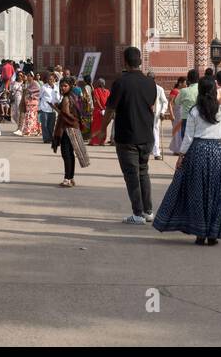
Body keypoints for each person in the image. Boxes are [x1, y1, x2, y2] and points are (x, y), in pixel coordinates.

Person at [153, 75, 221, 245]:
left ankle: (200, 233)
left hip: (198, 152)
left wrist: (181, 156)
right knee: (218, 193)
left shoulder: (195, 111)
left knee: (198, 193)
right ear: (214, 91)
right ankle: (213, 234)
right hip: (219, 153)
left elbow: (188, 138)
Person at [104, 47, 158, 224]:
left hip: (127, 136)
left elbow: (110, 109)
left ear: (125, 62)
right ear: (140, 61)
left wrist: (101, 129)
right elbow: (151, 107)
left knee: (131, 176)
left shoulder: (121, 82)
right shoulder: (151, 83)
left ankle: (137, 214)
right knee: (143, 172)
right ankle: (148, 211)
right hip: (146, 136)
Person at [52, 76, 91, 186]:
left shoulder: (66, 98)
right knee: (70, 154)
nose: (63, 88)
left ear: (70, 86)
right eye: (61, 86)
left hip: (67, 129)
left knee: (66, 154)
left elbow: (65, 114)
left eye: (65, 86)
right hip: (74, 127)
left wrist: (57, 110)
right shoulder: (74, 96)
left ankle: (67, 178)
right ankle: (71, 178)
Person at [16, 70, 41, 137]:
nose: (28, 77)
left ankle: (28, 131)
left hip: (34, 102)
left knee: (31, 117)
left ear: (32, 77)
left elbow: (38, 92)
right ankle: (34, 130)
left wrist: (30, 93)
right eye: (27, 76)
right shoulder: (27, 83)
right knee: (29, 117)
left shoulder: (35, 83)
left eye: (29, 76)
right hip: (28, 102)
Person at [38, 70, 60, 144]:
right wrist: (39, 108)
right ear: (47, 80)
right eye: (49, 79)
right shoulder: (44, 87)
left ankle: (50, 138)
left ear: (54, 79)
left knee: (51, 125)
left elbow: (58, 98)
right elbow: (40, 97)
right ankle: (46, 138)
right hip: (44, 108)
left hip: (53, 109)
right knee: (44, 124)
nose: (51, 80)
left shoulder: (57, 87)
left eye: (52, 79)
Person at [89, 77, 111, 144]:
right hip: (106, 111)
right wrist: (105, 109)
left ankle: (94, 141)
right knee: (103, 126)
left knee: (96, 126)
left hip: (98, 111)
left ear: (98, 83)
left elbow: (97, 100)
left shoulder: (96, 90)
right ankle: (102, 141)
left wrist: (101, 108)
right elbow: (109, 101)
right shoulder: (107, 91)